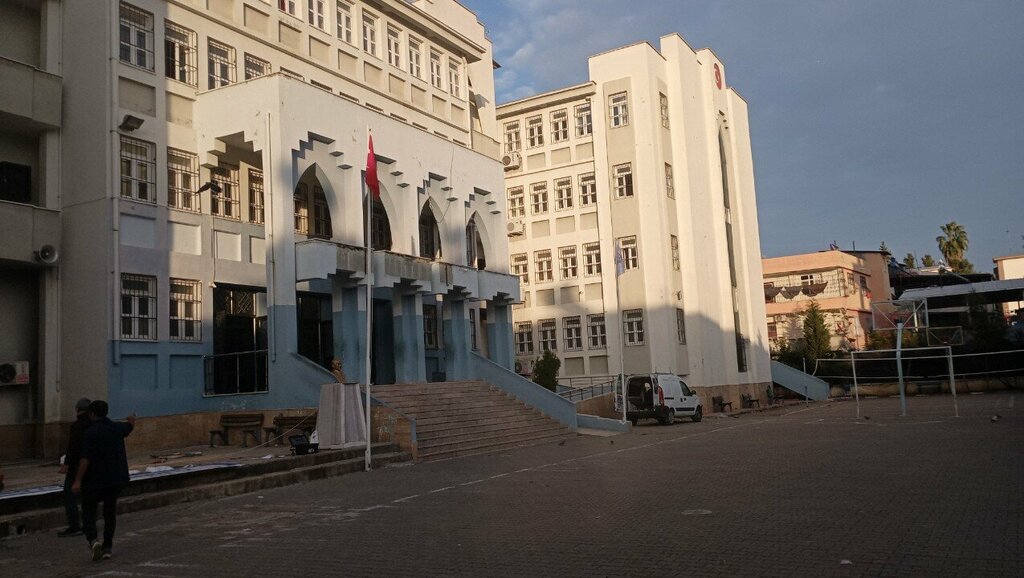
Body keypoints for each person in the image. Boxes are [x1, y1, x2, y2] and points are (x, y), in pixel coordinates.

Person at [71, 401, 135, 561]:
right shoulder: (116, 428)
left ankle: (93, 540)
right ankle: (107, 547)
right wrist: (132, 420)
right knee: (109, 513)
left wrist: (77, 480)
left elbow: (85, 459)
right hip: (115, 479)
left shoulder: (90, 433)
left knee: (88, 512)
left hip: (94, 480)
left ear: (92, 414)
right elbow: (129, 427)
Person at [57, 398, 92, 537]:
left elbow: (73, 447)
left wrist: (66, 464)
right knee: (87, 496)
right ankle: (88, 524)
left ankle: (74, 526)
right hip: (91, 464)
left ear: (78, 409)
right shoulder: (93, 424)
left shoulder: (78, 425)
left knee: (69, 494)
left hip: (77, 464)